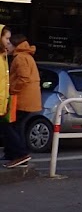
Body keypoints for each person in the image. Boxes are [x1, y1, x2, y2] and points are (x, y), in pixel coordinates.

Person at [1, 30, 41, 168]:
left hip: (22, 99)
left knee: (9, 125)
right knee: (17, 126)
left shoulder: (20, 58)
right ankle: (14, 153)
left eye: (9, 44)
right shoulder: (26, 56)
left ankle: (20, 154)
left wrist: (11, 90)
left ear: (15, 45)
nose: (7, 46)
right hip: (28, 99)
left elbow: (24, 78)